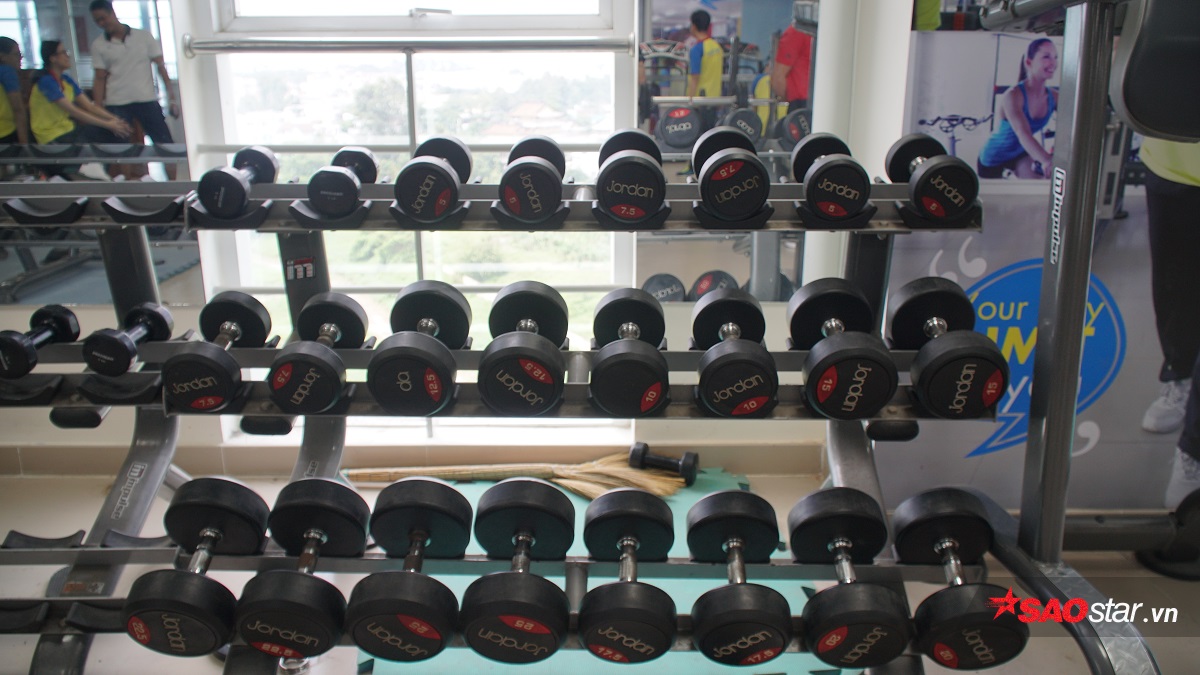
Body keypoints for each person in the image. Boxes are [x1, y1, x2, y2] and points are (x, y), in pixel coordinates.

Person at [89, 0, 177, 179]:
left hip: (146, 99)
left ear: (112, 13)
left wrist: (172, 98)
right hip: (117, 103)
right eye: (97, 21)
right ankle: (127, 187)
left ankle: (173, 186)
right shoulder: (99, 45)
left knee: (165, 145)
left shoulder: (143, 37)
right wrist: (98, 108)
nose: (101, 23)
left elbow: (161, 67)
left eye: (103, 18)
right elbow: (99, 78)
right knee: (121, 150)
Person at [29, 40, 130, 177]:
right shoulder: (46, 81)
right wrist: (107, 124)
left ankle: (107, 173)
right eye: (63, 53)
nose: (68, 56)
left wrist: (115, 120)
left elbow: (90, 106)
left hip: (68, 130)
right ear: (53, 58)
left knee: (118, 132)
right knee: (101, 133)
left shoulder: (66, 80)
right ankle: (92, 173)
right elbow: (73, 111)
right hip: (52, 135)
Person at [977, 38, 1058, 179]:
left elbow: (1071, 127)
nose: (1053, 63)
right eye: (1046, 57)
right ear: (1029, 62)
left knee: (1036, 185)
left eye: (1055, 57)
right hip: (993, 157)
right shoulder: (1013, 95)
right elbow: (1023, 133)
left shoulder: (1054, 97)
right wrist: (1046, 160)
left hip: (1020, 152)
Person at [771, 7, 814, 112]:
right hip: (802, 104)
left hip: (814, 102)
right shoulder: (797, 32)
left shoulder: (825, 32)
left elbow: (778, 79)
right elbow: (778, 79)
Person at [687, 10, 723, 102]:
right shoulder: (717, 46)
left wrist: (689, 102)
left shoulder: (697, 49)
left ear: (694, 26)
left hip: (700, 100)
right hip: (715, 98)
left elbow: (695, 79)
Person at [0, 37, 28, 145]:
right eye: (16, 54)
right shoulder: (7, 72)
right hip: (5, 133)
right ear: (2, 57)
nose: (20, 58)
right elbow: (18, 109)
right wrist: (24, 145)